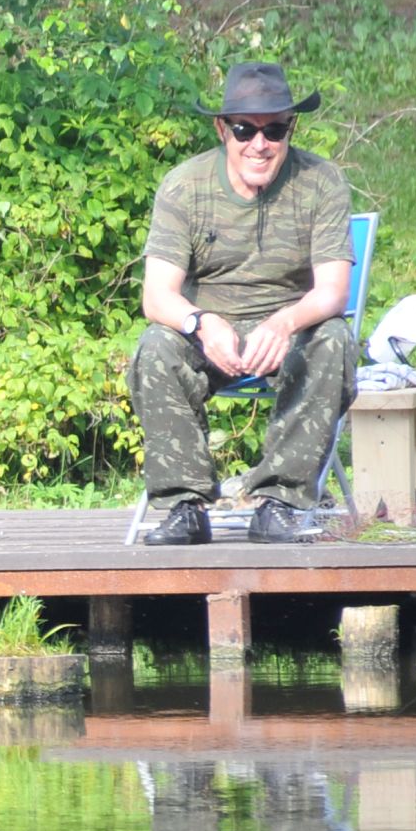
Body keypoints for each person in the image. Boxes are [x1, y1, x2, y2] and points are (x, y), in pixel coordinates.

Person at [129, 61, 357, 545]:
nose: (259, 144)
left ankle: (281, 501)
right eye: (244, 129)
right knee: (155, 347)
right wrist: (201, 322)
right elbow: (157, 296)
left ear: (290, 128)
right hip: (209, 331)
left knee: (334, 339)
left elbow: (333, 292)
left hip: (290, 327)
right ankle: (185, 505)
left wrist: (286, 322)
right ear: (221, 129)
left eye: (274, 130)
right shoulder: (184, 185)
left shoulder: (322, 181)